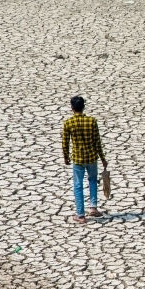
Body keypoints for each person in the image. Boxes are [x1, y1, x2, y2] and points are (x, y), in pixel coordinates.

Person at [62, 96, 107, 224]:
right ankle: (93, 207)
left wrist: (66, 157)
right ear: (83, 107)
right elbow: (97, 142)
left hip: (77, 159)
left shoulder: (69, 123)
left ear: (72, 108)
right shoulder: (91, 121)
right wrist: (103, 158)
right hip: (92, 157)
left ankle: (81, 215)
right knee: (92, 181)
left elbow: (65, 143)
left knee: (78, 185)